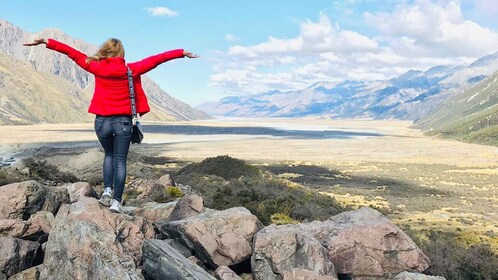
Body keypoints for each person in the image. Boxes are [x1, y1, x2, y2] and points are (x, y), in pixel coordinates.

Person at [24, 37, 198, 213]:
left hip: (101, 122)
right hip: (123, 122)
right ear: (121, 52)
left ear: (106, 51)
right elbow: (156, 59)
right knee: (120, 161)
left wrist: (47, 41)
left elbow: (72, 53)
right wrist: (181, 53)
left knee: (109, 155)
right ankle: (116, 202)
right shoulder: (131, 69)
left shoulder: (96, 67)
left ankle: (107, 191)